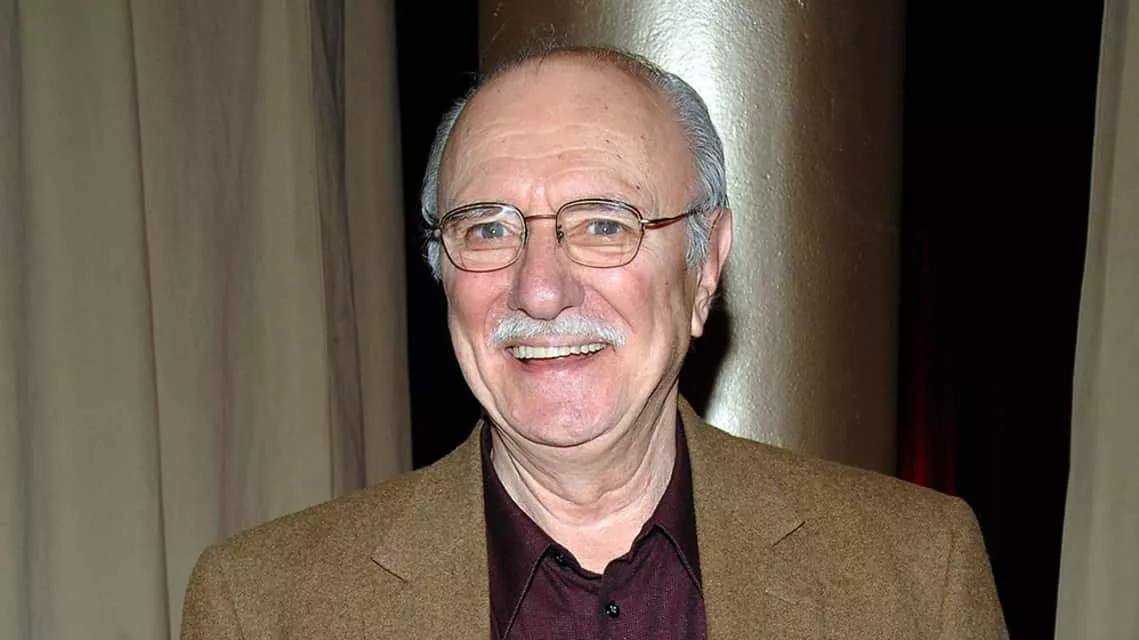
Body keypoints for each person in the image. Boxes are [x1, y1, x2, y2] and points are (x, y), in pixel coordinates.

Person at [181, 45, 1007, 639]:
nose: (540, 289)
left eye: (604, 224)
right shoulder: (264, 607)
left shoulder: (914, 577)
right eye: (488, 228)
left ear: (704, 267)